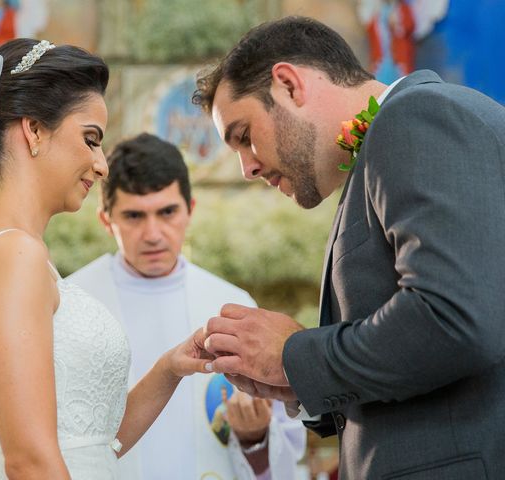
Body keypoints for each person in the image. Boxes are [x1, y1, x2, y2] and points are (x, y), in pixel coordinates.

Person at [0, 39, 212, 479]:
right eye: (91, 139)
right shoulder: (13, 254)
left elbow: (88, 443)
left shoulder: (2, 250)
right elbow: (29, 460)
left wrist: (169, 369)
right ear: (34, 130)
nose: (101, 165)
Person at [192, 15, 505, 479]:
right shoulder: (390, 143)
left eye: (244, 136)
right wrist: (294, 383)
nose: (246, 168)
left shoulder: (417, 118)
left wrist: (293, 356)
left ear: (288, 85)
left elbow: (454, 318)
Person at [66, 133, 306, 480]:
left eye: (167, 212)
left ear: (189, 210)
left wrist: (254, 438)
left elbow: (281, 448)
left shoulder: (232, 305)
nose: (153, 233)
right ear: (106, 220)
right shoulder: (72, 300)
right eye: (134, 216)